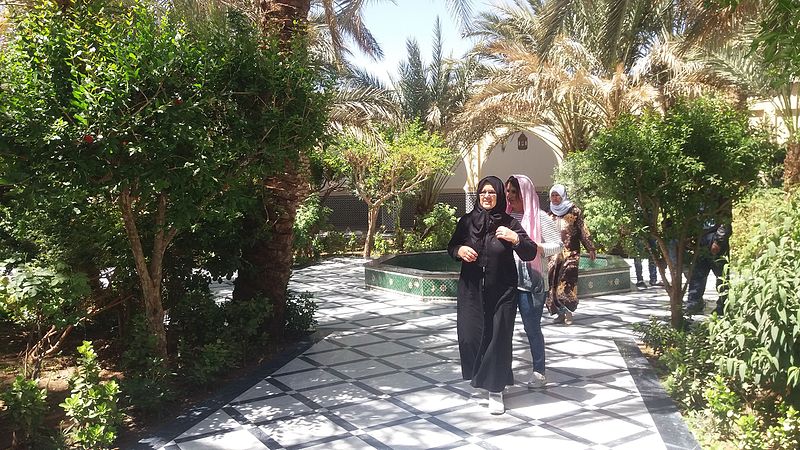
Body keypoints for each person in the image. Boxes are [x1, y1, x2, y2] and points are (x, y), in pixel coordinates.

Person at [448, 176, 538, 415]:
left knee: (498, 338)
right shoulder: (466, 222)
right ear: (478, 195)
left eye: (492, 192)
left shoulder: (508, 223)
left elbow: (530, 252)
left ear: (498, 196)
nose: (487, 196)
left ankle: (495, 388)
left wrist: (515, 238)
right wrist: (459, 250)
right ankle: (480, 374)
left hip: (503, 291)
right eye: (483, 192)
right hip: (471, 290)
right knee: (470, 336)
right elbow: (451, 247)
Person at [505, 175, 563, 389]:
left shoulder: (540, 218)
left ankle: (539, 371)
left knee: (532, 327)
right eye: (508, 191)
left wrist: (535, 248)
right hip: (507, 281)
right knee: (504, 329)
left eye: (514, 192)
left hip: (532, 284)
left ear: (525, 193)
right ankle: (504, 371)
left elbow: (558, 245)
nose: (510, 196)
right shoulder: (506, 216)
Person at [546, 184, 596, 325]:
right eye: (553, 195)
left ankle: (568, 312)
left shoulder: (574, 211)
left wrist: (590, 247)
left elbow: (583, 230)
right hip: (553, 255)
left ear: (563, 196)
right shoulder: (548, 213)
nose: (555, 198)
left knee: (568, 281)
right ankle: (560, 313)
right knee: (554, 282)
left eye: (557, 195)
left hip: (571, 253)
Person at [686, 222, 731, 315]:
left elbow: (725, 220)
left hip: (715, 239)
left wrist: (718, 240)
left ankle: (722, 306)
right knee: (697, 275)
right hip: (701, 239)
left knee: (722, 276)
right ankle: (694, 304)